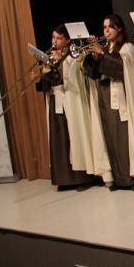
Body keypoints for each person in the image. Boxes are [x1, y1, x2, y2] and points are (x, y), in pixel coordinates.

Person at [82, 15, 134, 189]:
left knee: (126, 138)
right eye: (104, 27)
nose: (106, 30)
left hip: (123, 98)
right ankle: (116, 177)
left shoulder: (127, 47)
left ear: (119, 28)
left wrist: (102, 53)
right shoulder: (106, 48)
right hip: (106, 97)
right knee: (111, 137)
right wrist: (92, 57)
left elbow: (121, 69)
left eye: (110, 27)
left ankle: (132, 178)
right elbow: (93, 74)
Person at [34, 25, 98, 191]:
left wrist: (55, 63)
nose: (55, 41)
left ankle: (83, 176)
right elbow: (48, 83)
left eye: (59, 38)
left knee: (75, 136)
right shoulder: (50, 56)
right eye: (53, 37)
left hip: (71, 99)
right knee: (60, 138)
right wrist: (39, 78)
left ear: (68, 40)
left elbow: (70, 77)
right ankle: (65, 178)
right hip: (57, 100)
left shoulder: (72, 55)